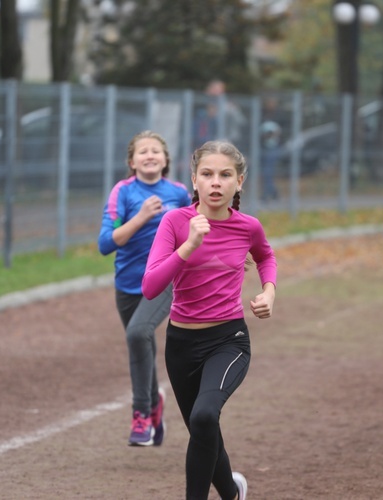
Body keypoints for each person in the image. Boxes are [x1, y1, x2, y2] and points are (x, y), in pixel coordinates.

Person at [142, 140, 277, 499]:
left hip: (227, 341)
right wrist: (189, 246)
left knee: (204, 416)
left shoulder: (248, 227)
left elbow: (265, 255)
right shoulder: (175, 222)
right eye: (207, 174)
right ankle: (232, 493)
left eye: (225, 175)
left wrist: (269, 292)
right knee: (204, 430)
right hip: (181, 344)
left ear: (239, 182)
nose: (216, 182)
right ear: (194, 180)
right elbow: (151, 285)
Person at [98, 130, 192, 446]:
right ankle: (155, 404)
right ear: (131, 161)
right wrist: (141, 217)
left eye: (156, 151)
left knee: (138, 334)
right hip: (127, 284)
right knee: (142, 345)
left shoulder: (179, 194)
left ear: (166, 160)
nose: (149, 155)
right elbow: (106, 243)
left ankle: (141, 418)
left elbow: (205, 228)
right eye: (143, 151)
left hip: (164, 281)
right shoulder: (122, 193)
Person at [193, 79, 247, 148]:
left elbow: (241, 121)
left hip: (227, 138)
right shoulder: (204, 102)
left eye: (219, 89)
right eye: (214, 88)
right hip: (208, 138)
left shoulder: (228, 105)